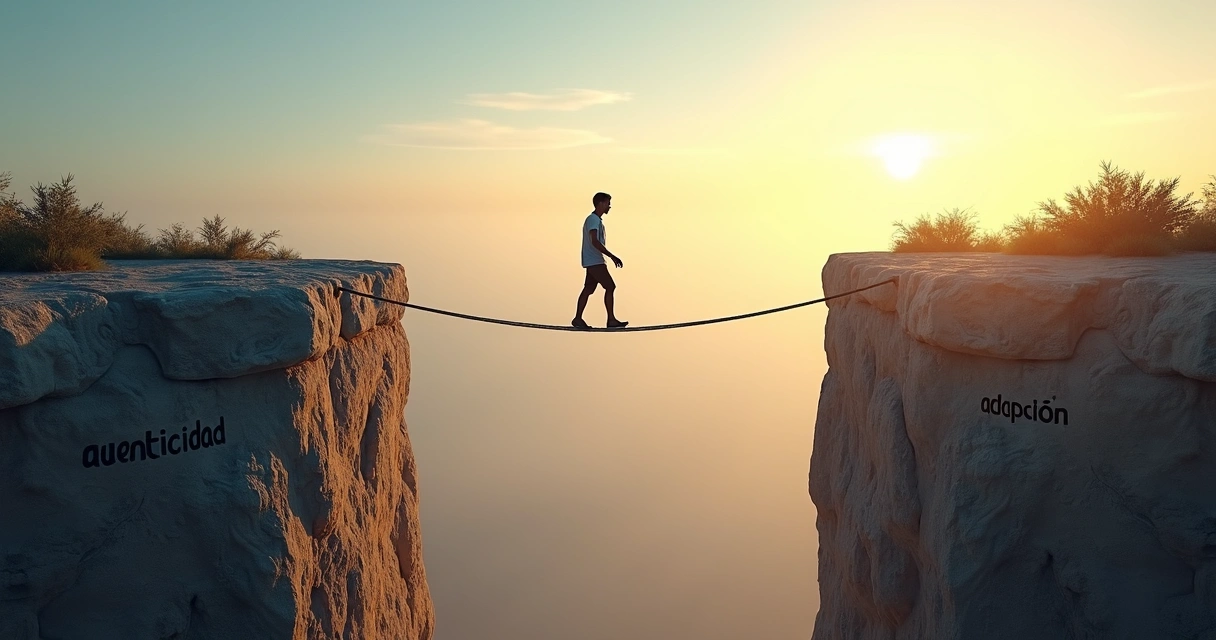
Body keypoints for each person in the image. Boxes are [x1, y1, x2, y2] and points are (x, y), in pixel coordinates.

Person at [572, 192, 628, 329]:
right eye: (608, 203)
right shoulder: (593, 220)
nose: (609, 206)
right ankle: (611, 320)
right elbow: (594, 241)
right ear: (601, 204)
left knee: (589, 289)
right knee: (610, 286)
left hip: (593, 260)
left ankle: (578, 318)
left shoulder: (596, 220)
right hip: (595, 261)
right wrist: (612, 256)